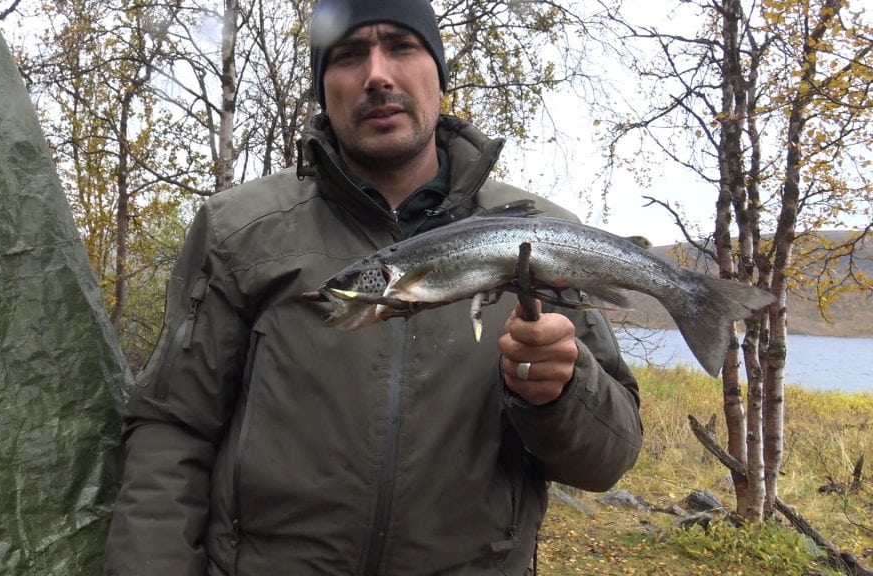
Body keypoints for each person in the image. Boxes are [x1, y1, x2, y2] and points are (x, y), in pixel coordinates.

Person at [102, 0, 643, 574]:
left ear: (437, 71)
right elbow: (172, 434)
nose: (377, 74)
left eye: (402, 46)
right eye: (349, 54)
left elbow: (608, 459)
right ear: (323, 85)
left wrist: (559, 391)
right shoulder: (239, 231)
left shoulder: (540, 235)